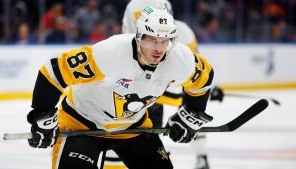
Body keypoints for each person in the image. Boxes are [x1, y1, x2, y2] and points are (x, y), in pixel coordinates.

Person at [26, 6, 214, 169]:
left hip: (133, 126)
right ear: (139, 37)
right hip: (80, 123)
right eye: (152, 40)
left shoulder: (179, 58)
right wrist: (43, 117)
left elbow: (203, 79)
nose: (159, 48)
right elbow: (52, 72)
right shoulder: (109, 53)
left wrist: (191, 113)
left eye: (165, 41)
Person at [117, 1, 211, 169]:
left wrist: (194, 107)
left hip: (154, 92)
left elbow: (197, 72)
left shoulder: (182, 35)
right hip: (139, 92)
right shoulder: (122, 44)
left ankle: (201, 156)